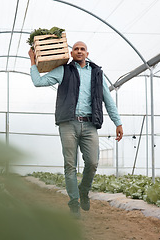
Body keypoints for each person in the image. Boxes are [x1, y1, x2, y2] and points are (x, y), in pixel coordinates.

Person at [28, 41, 123, 218]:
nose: (79, 51)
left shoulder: (96, 73)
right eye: (76, 49)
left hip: (89, 125)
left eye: (82, 49)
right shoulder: (64, 70)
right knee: (70, 165)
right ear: (71, 53)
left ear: (87, 53)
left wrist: (118, 123)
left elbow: (108, 100)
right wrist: (33, 61)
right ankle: (74, 202)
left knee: (93, 162)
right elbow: (38, 82)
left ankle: (83, 191)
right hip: (68, 123)